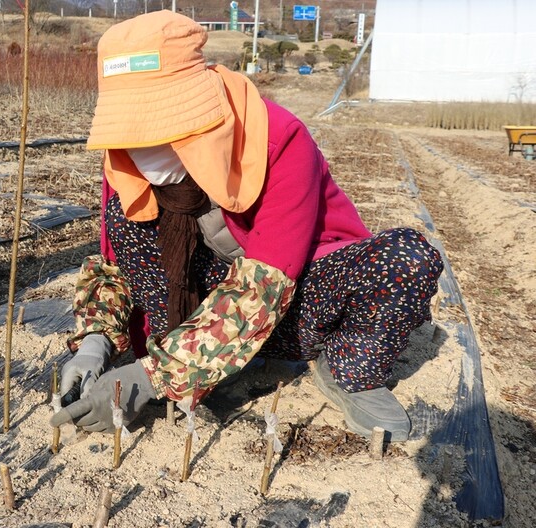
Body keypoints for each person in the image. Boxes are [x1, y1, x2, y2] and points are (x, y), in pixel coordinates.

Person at [50, 11, 443, 442]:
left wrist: (152, 377)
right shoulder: (123, 160)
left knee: (405, 258)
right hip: (207, 307)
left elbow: (265, 286)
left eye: (155, 128)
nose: (141, 147)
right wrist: (94, 343)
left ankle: (349, 370)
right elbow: (115, 267)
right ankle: (191, 362)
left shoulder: (277, 139)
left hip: (297, 299)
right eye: (130, 131)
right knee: (124, 222)